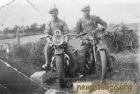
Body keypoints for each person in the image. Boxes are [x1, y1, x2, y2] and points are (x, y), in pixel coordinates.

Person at [75, 5, 108, 76]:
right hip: (86, 40)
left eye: (88, 10)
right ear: (82, 12)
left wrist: (102, 29)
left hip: (96, 38)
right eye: (85, 11)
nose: (87, 12)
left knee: (105, 49)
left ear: (89, 11)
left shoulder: (95, 18)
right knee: (80, 51)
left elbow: (105, 24)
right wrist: (82, 37)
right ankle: (82, 71)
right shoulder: (80, 20)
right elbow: (77, 32)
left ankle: (110, 66)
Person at [42, 8, 77, 74]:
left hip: (62, 40)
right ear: (50, 14)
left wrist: (66, 40)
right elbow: (46, 33)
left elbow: (66, 33)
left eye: (54, 12)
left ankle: (75, 66)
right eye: (51, 13)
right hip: (53, 41)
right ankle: (47, 63)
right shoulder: (49, 23)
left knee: (71, 52)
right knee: (46, 48)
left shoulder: (62, 22)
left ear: (57, 12)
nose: (53, 14)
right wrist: (49, 41)